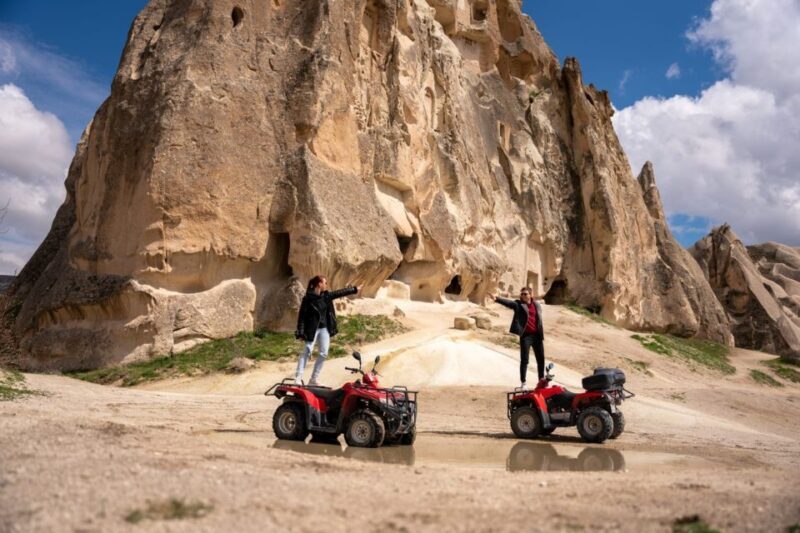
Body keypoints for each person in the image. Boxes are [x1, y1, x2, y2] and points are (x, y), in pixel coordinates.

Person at [294, 275, 361, 386]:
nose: (326, 284)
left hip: (324, 329)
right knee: (306, 351)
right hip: (312, 329)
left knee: (324, 353)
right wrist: (300, 332)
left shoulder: (326, 296)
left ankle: (313, 379)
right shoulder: (307, 299)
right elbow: (302, 317)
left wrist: (354, 289)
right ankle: (298, 378)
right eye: (325, 282)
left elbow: (339, 293)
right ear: (319, 284)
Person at [489, 287, 545, 390]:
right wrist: (497, 299)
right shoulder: (518, 305)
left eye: (525, 294)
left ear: (531, 295)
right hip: (526, 336)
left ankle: (541, 382)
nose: (523, 296)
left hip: (537, 336)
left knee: (541, 360)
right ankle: (523, 383)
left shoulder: (537, 305)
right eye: (522, 294)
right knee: (525, 360)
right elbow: (509, 303)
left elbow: (539, 320)